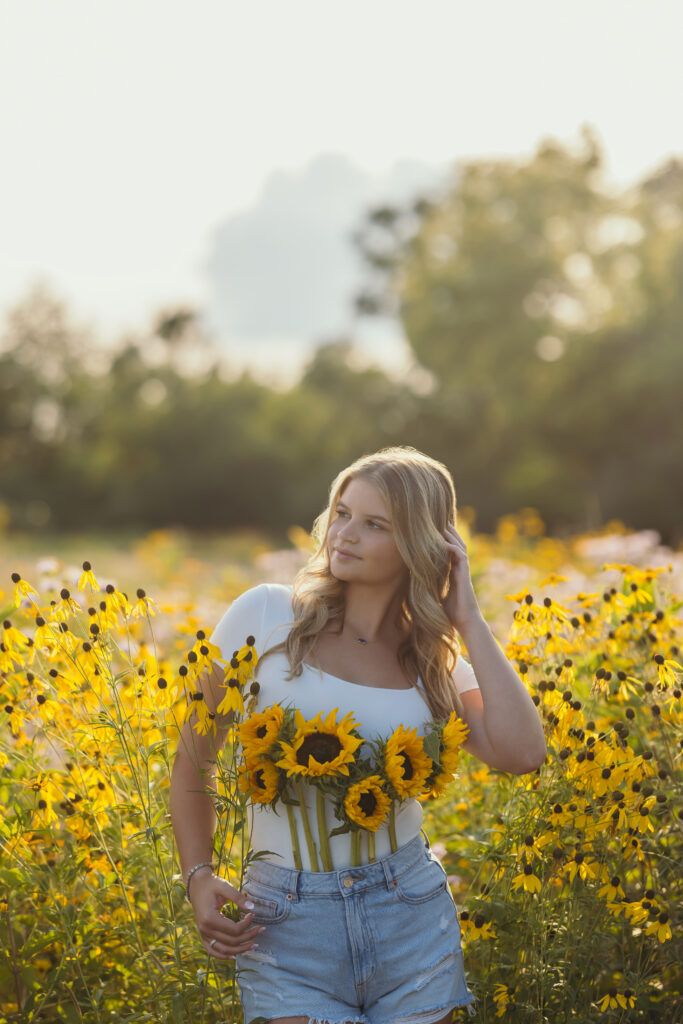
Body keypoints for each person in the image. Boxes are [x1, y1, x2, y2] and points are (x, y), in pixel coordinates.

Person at [170, 446, 546, 1024]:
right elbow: (195, 757)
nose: (344, 534)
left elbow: (523, 753)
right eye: (342, 513)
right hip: (283, 924)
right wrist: (197, 875)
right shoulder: (265, 616)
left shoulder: (431, 662)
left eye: (374, 524)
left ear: (420, 544)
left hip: (410, 916)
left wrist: (467, 617)